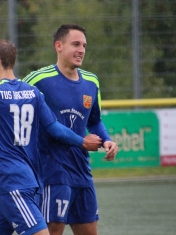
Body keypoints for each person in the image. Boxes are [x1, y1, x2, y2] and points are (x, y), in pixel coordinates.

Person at [0, 39, 103, 235]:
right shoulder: (33, 92)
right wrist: (82, 141)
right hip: (23, 184)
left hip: (14, 184)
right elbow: (55, 129)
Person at [23, 24, 119, 235]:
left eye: (84, 45)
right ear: (59, 46)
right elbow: (9, 93)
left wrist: (106, 141)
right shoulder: (39, 79)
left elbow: (94, 121)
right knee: (52, 231)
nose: (81, 50)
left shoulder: (92, 82)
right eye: (75, 44)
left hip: (82, 171)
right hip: (52, 171)